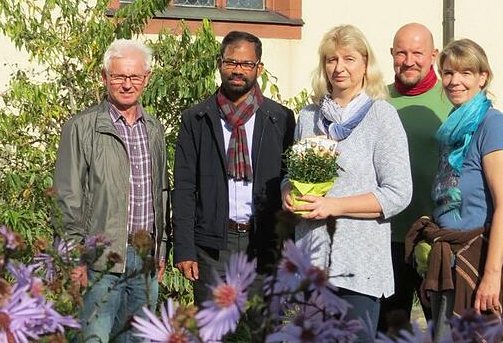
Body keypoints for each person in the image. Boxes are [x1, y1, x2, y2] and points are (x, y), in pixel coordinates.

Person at [283, 24, 413, 334]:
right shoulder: (309, 116)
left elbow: (398, 193)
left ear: (366, 64)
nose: (339, 68)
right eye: (331, 59)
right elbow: (293, 174)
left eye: (349, 59)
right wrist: (286, 190)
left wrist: (334, 207)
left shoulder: (381, 116)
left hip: (360, 265)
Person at [404, 38, 503, 341]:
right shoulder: (452, 128)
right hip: (450, 260)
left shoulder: (492, 125)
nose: (454, 81)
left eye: (465, 73)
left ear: (482, 77)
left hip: (479, 257)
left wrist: (491, 276)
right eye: (447, 73)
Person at [54, 39, 168, 343]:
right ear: (104, 77)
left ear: (147, 79)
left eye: (134, 77)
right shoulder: (81, 127)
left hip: (144, 260)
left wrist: (162, 250)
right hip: (99, 260)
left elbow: (161, 193)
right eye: (118, 76)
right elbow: (67, 200)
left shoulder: (154, 129)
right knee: (94, 338)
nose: (127, 85)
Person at [173, 30, 295, 304]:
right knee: (213, 330)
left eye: (246, 64)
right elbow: (183, 187)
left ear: (258, 68)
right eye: (231, 63)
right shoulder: (197, 119)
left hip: (264, 245)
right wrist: (184, 249)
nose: (237, 70)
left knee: (261, 331)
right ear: (219, 64)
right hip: (212, 246)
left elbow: (290, 183)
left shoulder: (280, 119)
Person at [379, 23, 453, 332]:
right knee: (388, 332)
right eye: (402, 53)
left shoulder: (453, 99)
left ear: (433, 55)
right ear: (392, 54)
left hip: (434, 238)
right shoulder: (377, 100)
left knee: (442, 330)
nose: (409, 61)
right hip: (387, 237)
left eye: (418, 53)